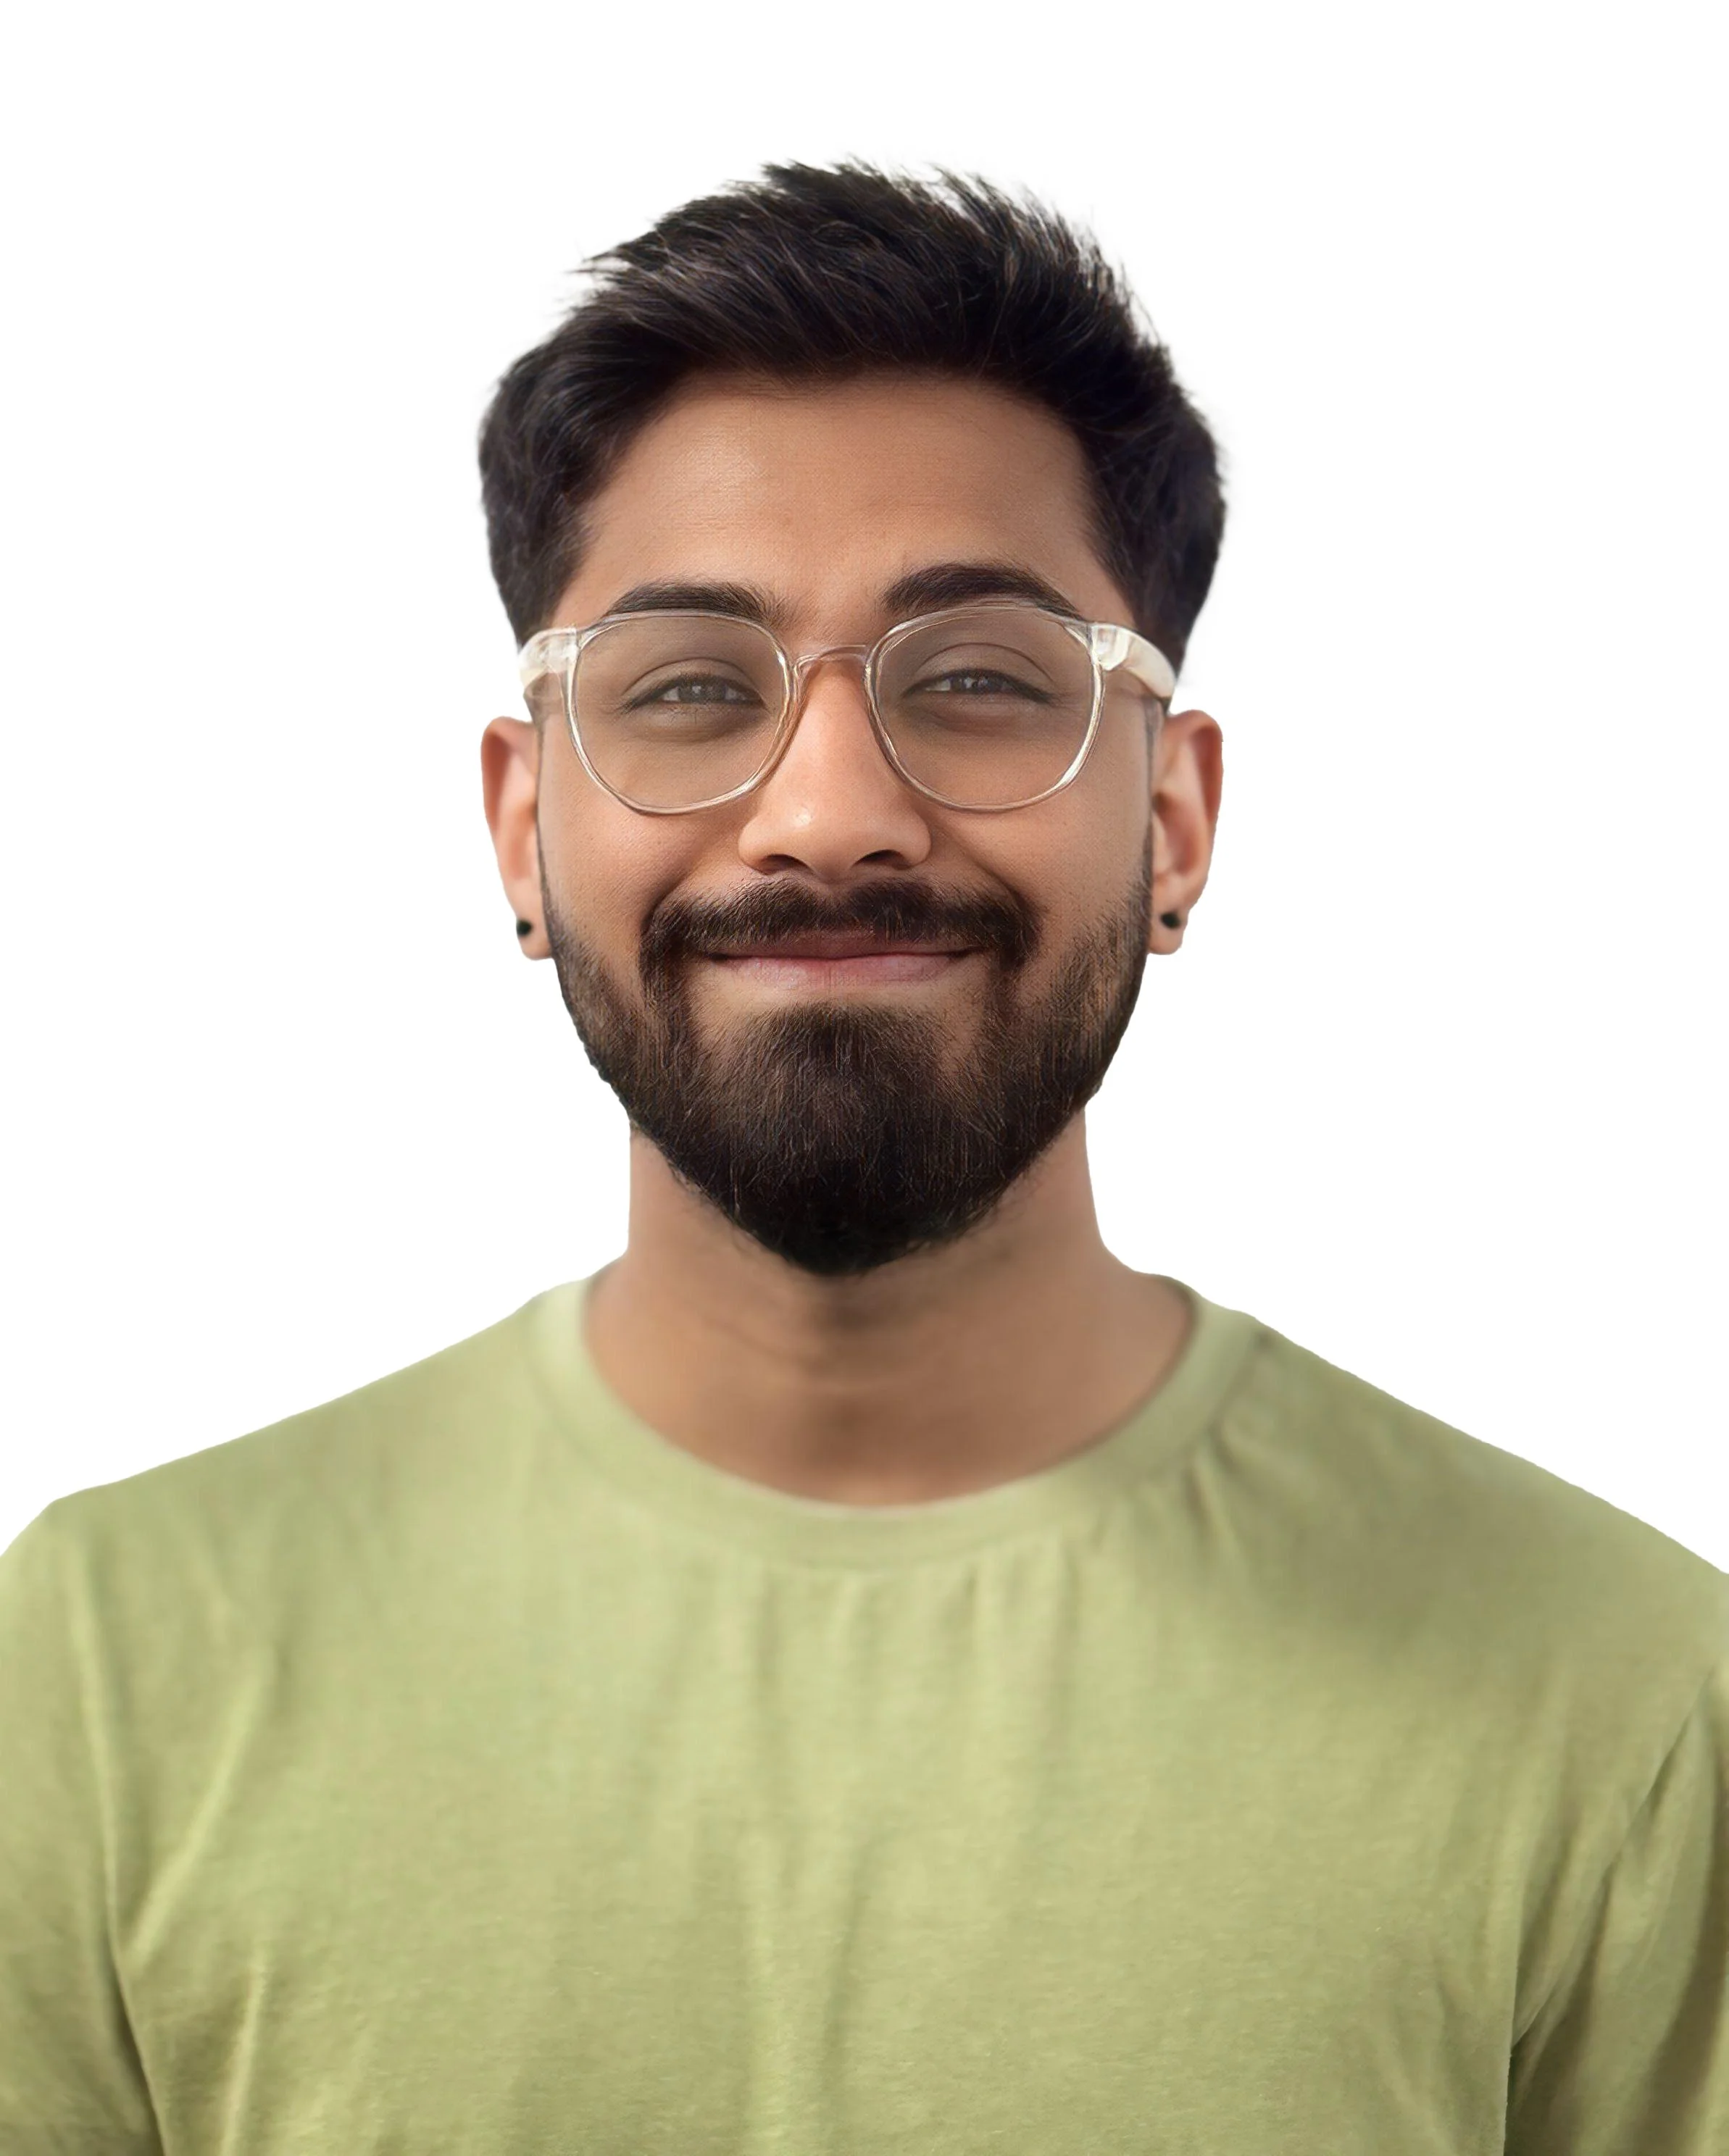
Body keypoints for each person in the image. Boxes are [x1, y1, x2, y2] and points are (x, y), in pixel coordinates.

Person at [1, 161, 1724, 2155]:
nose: (827, 812)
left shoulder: (1615, 1695)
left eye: (981, 681)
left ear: (1171, 820)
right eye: (688, 690)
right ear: (520, 828)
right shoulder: (107, 1674)